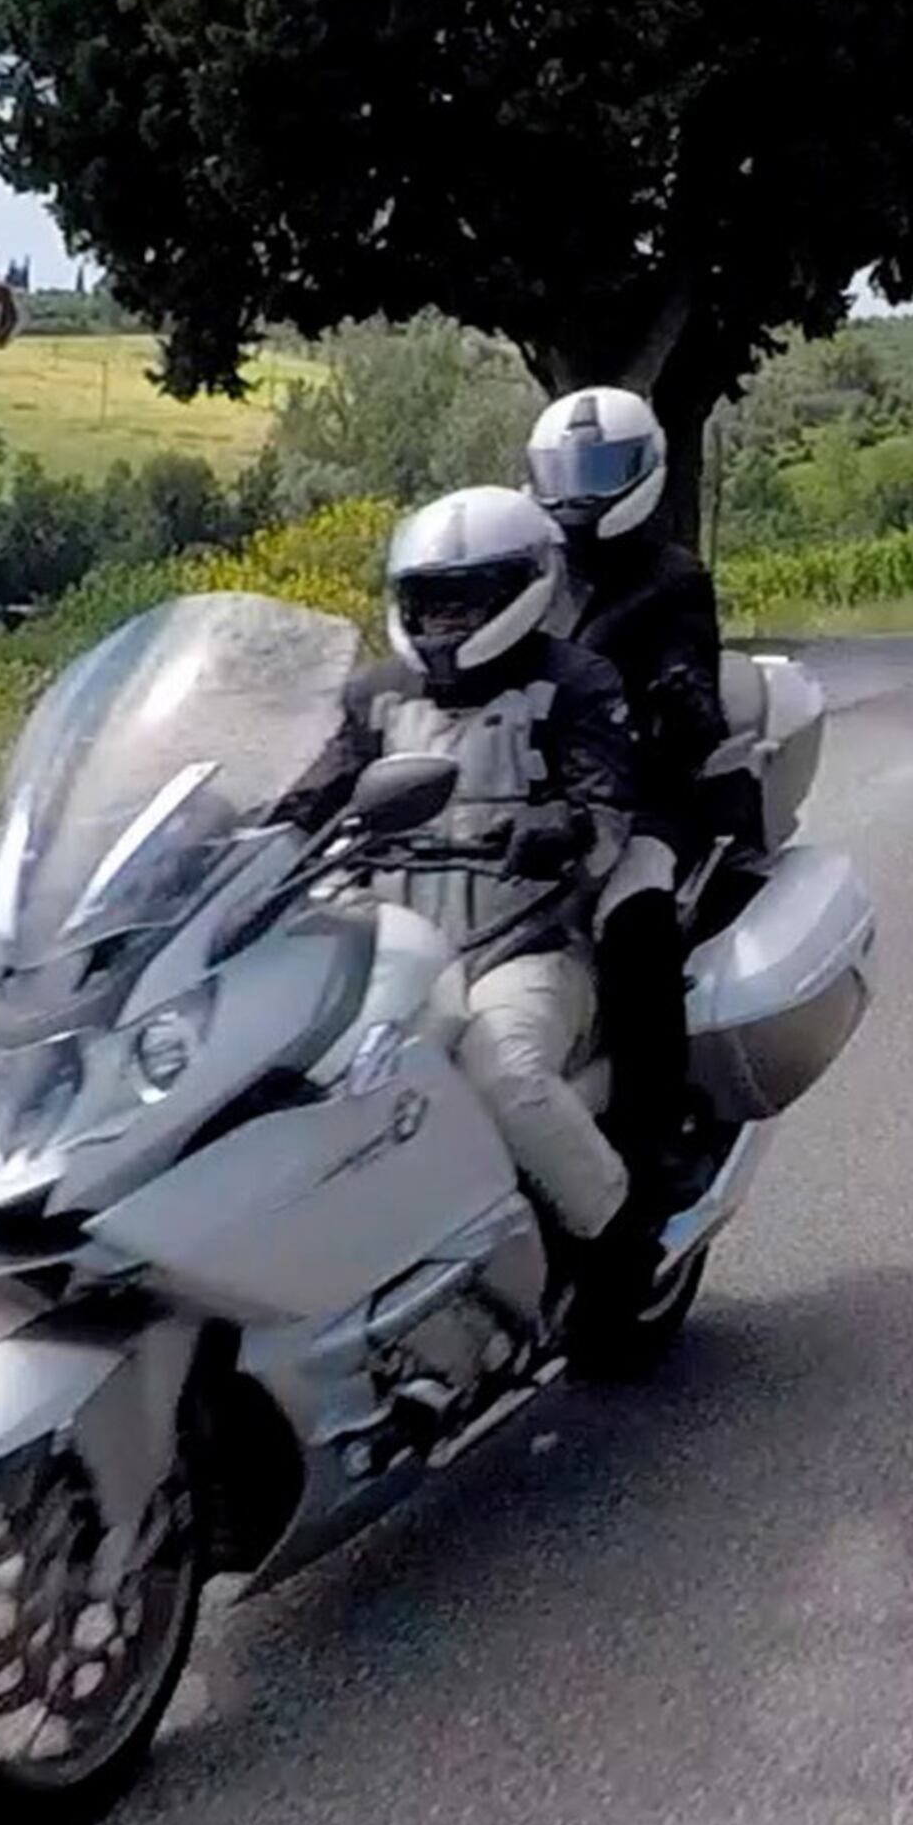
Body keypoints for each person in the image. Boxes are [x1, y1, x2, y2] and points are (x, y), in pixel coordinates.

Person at [295, 485, 647, 1280]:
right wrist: (239, 832)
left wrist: (565, 826)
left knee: (505, 1074)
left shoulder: (575, 682)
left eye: (467, 600)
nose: (447, 622)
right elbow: (310, 796)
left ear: (525, 587)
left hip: (525, 944)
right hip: (385, 951)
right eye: (430, 602)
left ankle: (617, 1245)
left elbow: (609, 803)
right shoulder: (375, 696)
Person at [524, 385, 740, 1216]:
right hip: (533, 792)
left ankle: (659, 1130)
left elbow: (695, 703)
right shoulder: (533, 571)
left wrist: (675, 695)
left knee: (634, 918)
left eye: (602, 470)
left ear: (644, 471)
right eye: (565, 471)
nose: (581, 490)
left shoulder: (672, 578)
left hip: (649, 799)